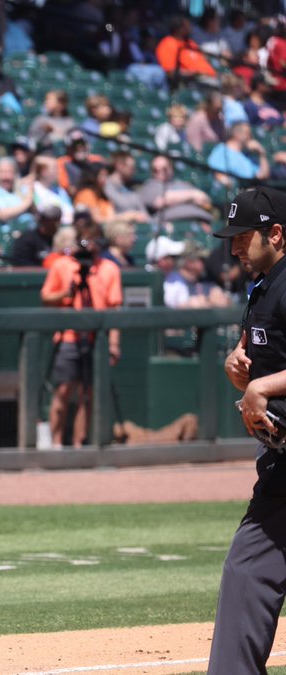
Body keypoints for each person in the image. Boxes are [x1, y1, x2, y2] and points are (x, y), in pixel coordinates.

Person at [209, 186, 286, 674]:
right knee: (247, 568)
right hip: (280, 463)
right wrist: (239, 367)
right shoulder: (262, 286)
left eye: (244, 236)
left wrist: (263, 387)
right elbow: (249, 354)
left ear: (275, 234)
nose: (234, 246)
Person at [39, 237, 123, 449]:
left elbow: (114, 309)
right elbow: (46, 297)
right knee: (64, 390)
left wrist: (113, 344)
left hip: (97, 339)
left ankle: (80, 444)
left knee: (88, 394)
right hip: (68, 337)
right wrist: (66, 293)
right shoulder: (62, 265)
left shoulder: (109, 268)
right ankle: (55, 444)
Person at [163, 242, 231, 309]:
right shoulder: (173, 281)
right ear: (189, 262)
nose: (206, 261)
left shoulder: (207, 280)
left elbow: (226, 303)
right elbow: (170, 309)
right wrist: (191, 304)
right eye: (201, 259)